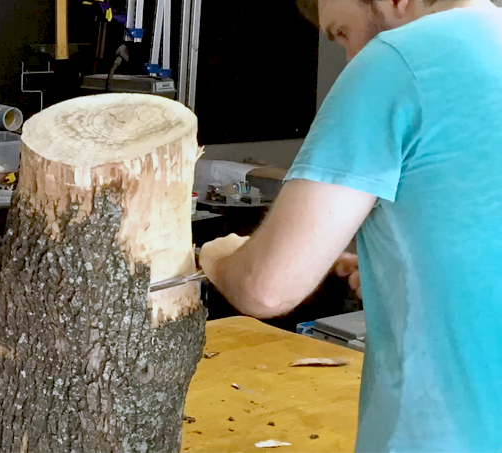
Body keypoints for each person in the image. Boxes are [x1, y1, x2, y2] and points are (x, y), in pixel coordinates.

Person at [198, 0, 502, 451]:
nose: (351, 57)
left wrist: (220, 258)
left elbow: (266, 288)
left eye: (343, 33)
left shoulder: (396, 60)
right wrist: (395, 267)